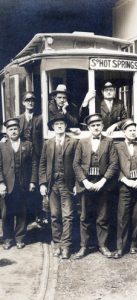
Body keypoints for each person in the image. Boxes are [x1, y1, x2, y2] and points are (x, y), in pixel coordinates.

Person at [73, 113, 119, 259]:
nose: (96, 127)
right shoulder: (82, 142)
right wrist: (85, 181)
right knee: (84, 216)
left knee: (102, 216)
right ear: (89, 127)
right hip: (86, 183)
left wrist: (103, 181)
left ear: (102, 126)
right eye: (93, 125)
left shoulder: (109, 142)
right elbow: (76, 164)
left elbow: (114, 164)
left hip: (102, 184)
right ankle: (84, 247)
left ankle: (103, 245)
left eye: (98, 125)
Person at [39, 115, 78, 259]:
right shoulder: (48, 143)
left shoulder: (73, 142)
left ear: (66, 126)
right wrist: (43, 183)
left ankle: (66, 245)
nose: (59, 126)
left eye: (62, 123)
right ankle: (57, 243)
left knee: (67, 215)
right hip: (52, 184)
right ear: (53, 127)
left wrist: (76, 184)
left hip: (67, 184)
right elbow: (42, 164)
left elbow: (77, 165)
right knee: (55, 215)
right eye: (57, 124)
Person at [114, 119, 137, 258]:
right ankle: (120, 247)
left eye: (134, 130)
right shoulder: (118, 147)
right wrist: (126, 181)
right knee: (122, 217)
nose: (133, 133)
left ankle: (134, 244)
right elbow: (115, 167)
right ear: (124, 132)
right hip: (125, 187)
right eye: (130, 130)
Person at [0, 118, 37, 250]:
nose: (13, 131)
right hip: (7, 184)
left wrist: (33, 181)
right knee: (6, 213)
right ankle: (8, 239)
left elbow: (34, 164)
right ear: (7, 132)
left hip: (23, 183)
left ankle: (20, 238)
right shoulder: (2, 145)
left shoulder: (28, 144)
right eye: (10, 129)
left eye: (15, 129)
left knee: (22, 211)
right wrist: (1, 183)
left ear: (19, 130)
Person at [17, 91, 45, 226]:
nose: (30, 102)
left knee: (37, 185)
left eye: (32, 100)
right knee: (25, 185)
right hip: (24, 158)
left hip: (38, 157)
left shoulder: (40, 118)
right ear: (23, 103)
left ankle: (38, 216)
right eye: (27, 100)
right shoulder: (18, 119)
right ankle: (26, 218)